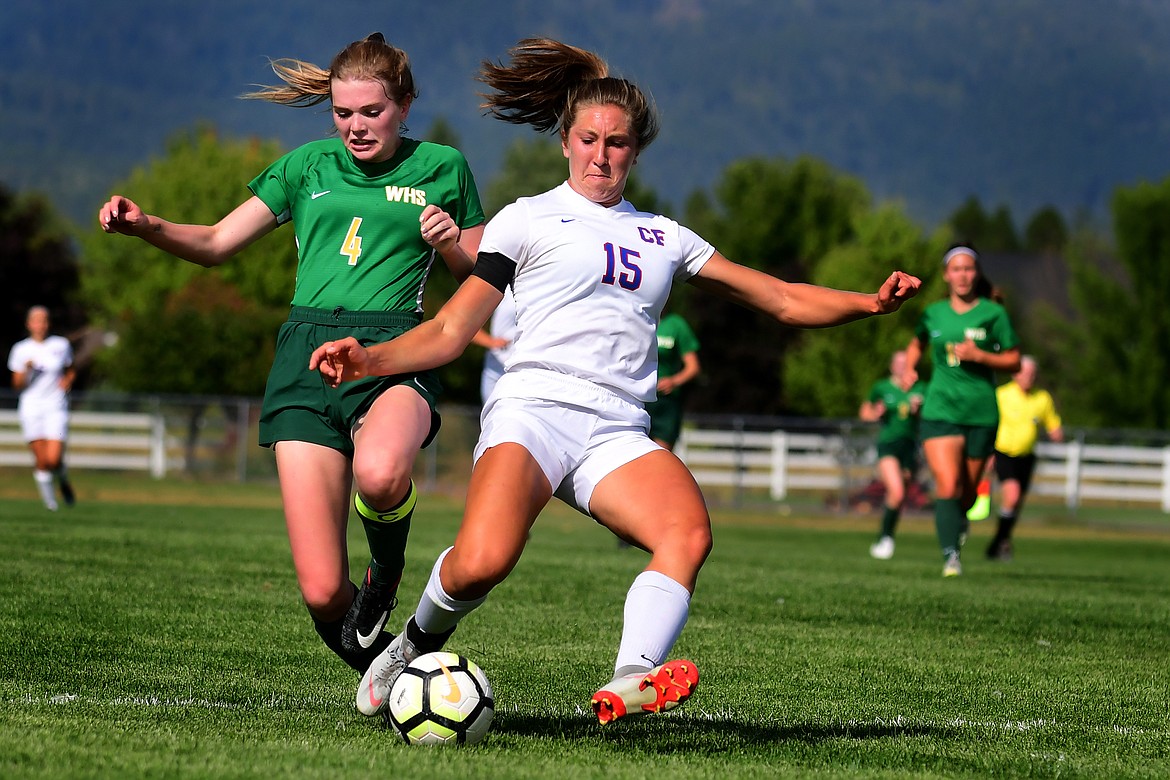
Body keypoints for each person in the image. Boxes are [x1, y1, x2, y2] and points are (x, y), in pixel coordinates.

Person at [309, 37, 921, 725]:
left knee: (687, 533)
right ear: (566, 141)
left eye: (619, 143)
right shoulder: (526, 219)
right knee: (481, 563)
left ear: (637, 149)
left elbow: (779, 297)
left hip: (617, 429)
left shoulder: (667, 236)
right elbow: (453, 329)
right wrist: (372, 359)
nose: (603, 155)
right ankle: (413, 644)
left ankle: (633, 674)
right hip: (533, 410)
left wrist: (869, 304)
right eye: (590, 139)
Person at [98, 33, 485, 678]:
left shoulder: (444, 166)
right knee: (322, 592)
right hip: (305, 355)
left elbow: (480, 275)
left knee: (384, 474)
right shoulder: (306, 165)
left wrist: (448, 245)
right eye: (343, 112)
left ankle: (386, 576)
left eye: (372, 112)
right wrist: (147, 226)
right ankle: (383, 672)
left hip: (392, 346)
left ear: (405, 106)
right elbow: (220, 240)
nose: (356, 127)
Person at [905, 245, 1020, 577]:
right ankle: (950, 556)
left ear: (977, 273)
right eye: (956, 269)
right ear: (946, 275)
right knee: (949, 484)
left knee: (968, 494)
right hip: (940, 409)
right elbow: (917, 342)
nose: (963, 275)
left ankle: (959, 521)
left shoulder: (993, 314)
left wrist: (981, 356)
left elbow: (1014, 360)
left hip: (981, 413)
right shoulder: (933, 313)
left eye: (968, 269)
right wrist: (911, 367)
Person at [986, 356, 1063, 561]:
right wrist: (987, 451)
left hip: (1027, 456)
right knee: (1012, 496)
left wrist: (1056, 432)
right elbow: (988, 422)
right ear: (1015, 373)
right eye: (1025, 373)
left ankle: (999, 543)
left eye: (1032, 374)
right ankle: (1000, 543)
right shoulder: (1002, 395)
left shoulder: (1042, 398)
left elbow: (1052, 422)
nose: (1029, 377)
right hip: (1003, 452)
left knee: (1016, 503)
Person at [7, 306, 76, 511]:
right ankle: (51, 504)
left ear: (48, 323)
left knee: (53, 458)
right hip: (31, 408)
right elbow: (17, 384)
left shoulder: (61, 345)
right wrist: (26, 370)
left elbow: (70, 370)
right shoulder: (20, 349)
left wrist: (68, 381)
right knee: (42, 460)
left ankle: (62, 477)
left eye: (44, 320)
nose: (40, 324)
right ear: (29, 324)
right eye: (36, 320)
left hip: (56, 406)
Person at [859, 350, 925, 560]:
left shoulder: (921, 388)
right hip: (888, 444)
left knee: (899, 496)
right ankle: (886, 538)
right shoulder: (882, 387)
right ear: (891, 366)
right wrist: (876, 413)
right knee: (896, 491)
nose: (901, 366)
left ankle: (885, 536)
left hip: (910, 446)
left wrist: (920, 409)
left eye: (905, 363)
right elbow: (864, 413)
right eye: (898, 363)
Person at [645, 311, 701, 451]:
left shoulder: (675, 324)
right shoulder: (638, 317)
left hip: (665, 402)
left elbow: (693, 367)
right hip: (639, 398)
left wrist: (673, 381)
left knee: (660, 453)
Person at [469, 288, 517, 404]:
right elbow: (465, 324)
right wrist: (492, 342)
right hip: (495, 367)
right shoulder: (504, 288)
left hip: (522, 366)